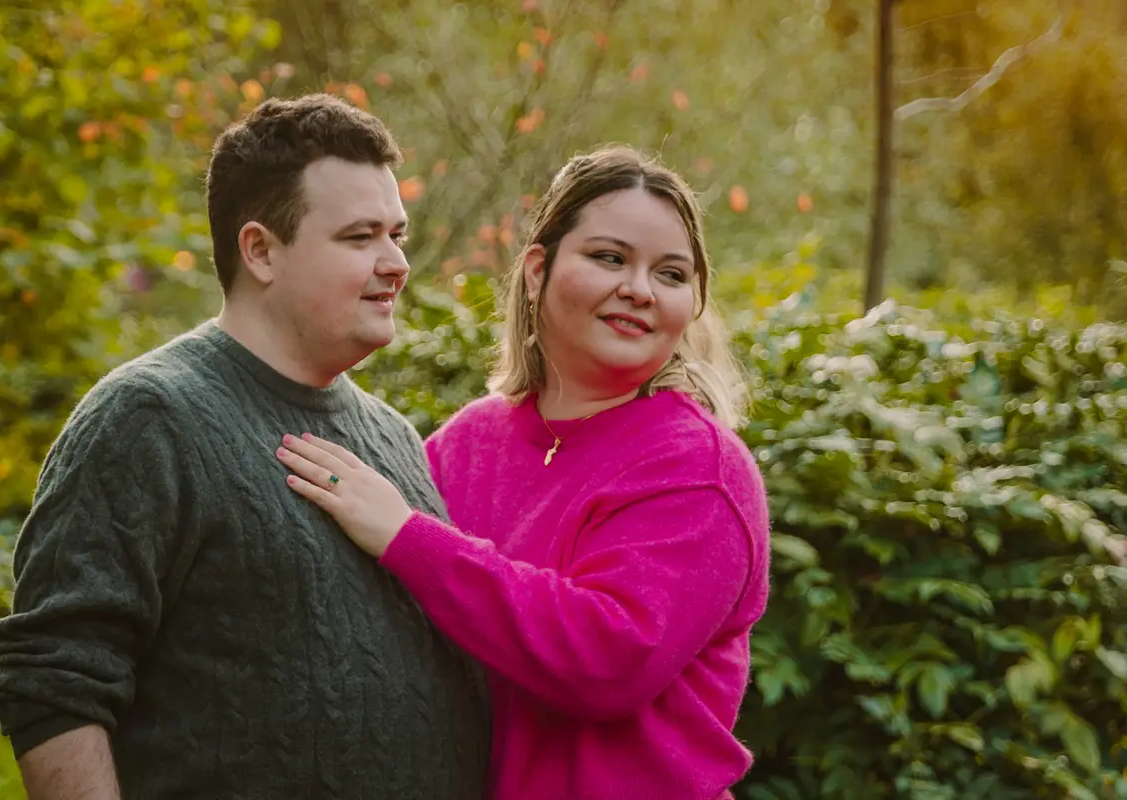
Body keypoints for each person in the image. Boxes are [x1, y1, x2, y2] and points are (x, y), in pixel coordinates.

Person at [0, 94, 489, 800]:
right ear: (260, 251)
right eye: (360, 237)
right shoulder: (148, 417)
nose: (397, 263)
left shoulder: (394, 438)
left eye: (397, 235)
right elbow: (52, 679)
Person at [274, 146, 772, 800]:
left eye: (671, 274)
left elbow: (609, 661)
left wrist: (409, 538)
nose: (640, 289)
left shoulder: (699, 469)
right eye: (610, 258)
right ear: (538, 270)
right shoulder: (469, 441)